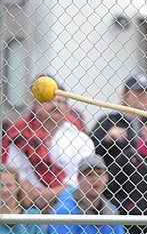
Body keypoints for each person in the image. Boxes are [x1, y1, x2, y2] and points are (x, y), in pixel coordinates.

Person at [2, 79, 95, 212]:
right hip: (29, 204)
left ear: (67, 108)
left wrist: (50, 195)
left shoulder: (80, 139)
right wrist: (35, 195)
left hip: (71, 204)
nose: (55, 105)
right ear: (37, 106)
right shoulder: (21, 136)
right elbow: (15, 172)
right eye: (49, 101)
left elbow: (82, 176)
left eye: (60, 102)